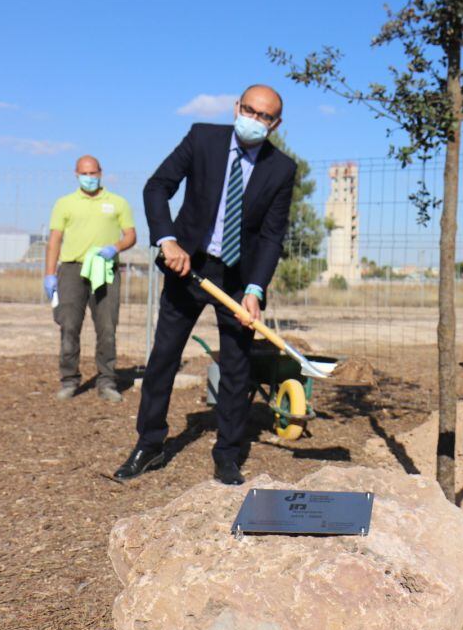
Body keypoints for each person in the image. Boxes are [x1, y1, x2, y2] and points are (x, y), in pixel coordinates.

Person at [114, 84, 295, 486]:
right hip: (187, 267)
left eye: (264, 116)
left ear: (275, 123)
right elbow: (157, 186)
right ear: (236, 107)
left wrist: (255, 290)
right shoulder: (203, 139)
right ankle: (150, 444)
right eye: (249, 110)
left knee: (236, 365)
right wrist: (167, 239)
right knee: (164, 356)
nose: (254, 120)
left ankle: (228, 454)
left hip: (236, 279)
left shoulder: (281, 168)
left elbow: (271, 236)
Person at [44, 155, 137, 402]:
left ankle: (106, 381)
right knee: (69, 326)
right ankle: (69, 379)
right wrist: (50, 274)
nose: (89, 178)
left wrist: (115, 248)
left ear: (100, 173)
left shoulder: (118, 203)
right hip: (72, 270)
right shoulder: (64, 203)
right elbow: (54, 240)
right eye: (84, 174)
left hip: (104, 270)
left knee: (107, 327)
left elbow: (130, 235)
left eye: (93, 173)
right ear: (76, 174)